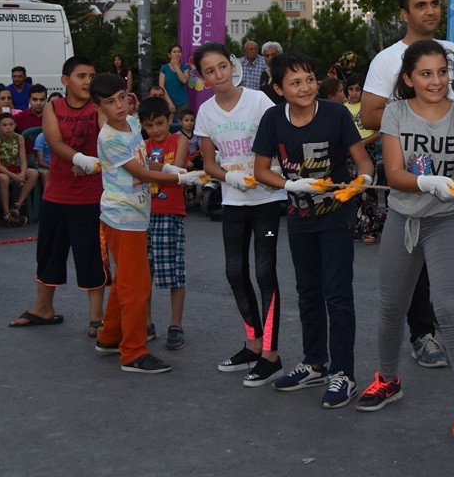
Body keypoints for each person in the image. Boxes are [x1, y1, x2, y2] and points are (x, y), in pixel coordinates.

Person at [354, 40, 454, 448]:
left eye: (442, 72)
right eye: (425, 74)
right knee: (392, 305)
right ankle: (388, 379)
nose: (436, 81)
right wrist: (427, 182)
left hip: (446, 222)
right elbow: (393, 173)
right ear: (408, 79)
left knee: (449, 307)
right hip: (403, 219)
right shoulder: (394, 112)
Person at [361, 0, 454, 369]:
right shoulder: (387, 60)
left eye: (435, 3)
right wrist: (419, 112)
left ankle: (434, 310)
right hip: (412, 176)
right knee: (408, 261)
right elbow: (368, 116)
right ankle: (421, 333)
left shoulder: (450, 51)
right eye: (421, 5)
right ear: (404, 14)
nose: (430, 11)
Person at [253, 51, 374, 409]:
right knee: (307, 292)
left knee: (337, 295)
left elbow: (363, 159)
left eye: (309, 79)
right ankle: (315, 363)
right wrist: (289, 186)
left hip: (336, 216)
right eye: (294, 82)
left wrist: (363, 180)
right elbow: (261, 170)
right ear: (278, 88)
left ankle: (344, 373)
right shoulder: (273, 119)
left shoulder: (335, 113)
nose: (305, 87)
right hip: (299, 217)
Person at [90, 73, 204, 373]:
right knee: (137, 286)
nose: (118, 106)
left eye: (122, 98)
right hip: (121, 218)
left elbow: (145, 162)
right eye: (109, 102)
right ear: (99, 107)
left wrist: (168, 166)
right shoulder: (109, 138)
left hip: (137, 217)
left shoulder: (130, 124)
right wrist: (179, 177)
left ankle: (109, 338)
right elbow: (141, 175)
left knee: (126, 283)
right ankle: (132, 353)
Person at [193, 42, 288, 386]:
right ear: (202, 77)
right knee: (235, 273)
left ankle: (271, 355)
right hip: (233, 201)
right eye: (209, 71)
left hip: (265, 198)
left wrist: (268, 171)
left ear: (232, 66)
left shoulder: (258, 100)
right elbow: (208, 163)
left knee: (265, 273)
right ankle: (252, 344)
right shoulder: (205, 112)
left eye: (222, 66)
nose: (218, 75)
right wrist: (229, 176)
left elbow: (279, 143)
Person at [9, 57, 105, 334]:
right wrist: (80, 159)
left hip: (90, 196)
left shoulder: (98, 108)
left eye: (92, 75)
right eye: (82, 76)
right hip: (56, 193)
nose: (88, 81)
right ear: (65, 81)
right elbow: (54, 142)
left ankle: (96, 317)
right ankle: (43, 308)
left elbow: (110, 134)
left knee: (91, 256)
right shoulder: (53, 107)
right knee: (49, 253)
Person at [138, 96, 191, 351]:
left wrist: (147, 166)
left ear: (170, 120)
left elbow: (179, 172)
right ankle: (146, 323)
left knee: (173, 272)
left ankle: (176, 324)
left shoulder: (179, 139)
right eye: (149, 126)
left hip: (169, 213)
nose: (155, 130)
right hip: (142, 214)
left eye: (159, 123)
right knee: (142, 274)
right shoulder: (142, 145)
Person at [345, 75, 385, 244]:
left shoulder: (367, 108)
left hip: (367, 149)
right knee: (351, 190)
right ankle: (354, 227)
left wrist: (363, 143)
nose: (354, 93)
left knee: (368, 191)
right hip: (347, 152)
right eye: (350, 89)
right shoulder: (343, 109)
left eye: (357, 89)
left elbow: (380, 130)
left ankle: (371, 228)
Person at [0, 112, 39, 225]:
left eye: (11, 124)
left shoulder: (19, 138)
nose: (8, 127)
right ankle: (6, 214)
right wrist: (15, 176)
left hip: (12, 167)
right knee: (4, 178)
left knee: (33, 173)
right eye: (4, 125)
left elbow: (23, 161)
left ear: (15, 125)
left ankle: (17, 205)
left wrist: (22, 174)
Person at [159, 44, 191, 116]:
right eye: (174, 52)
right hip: (167, 101)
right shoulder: (164, 68)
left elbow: (184, 80)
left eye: (179, 52)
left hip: (182, 102)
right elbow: (161, 86)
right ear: (169, 55)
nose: (177, 54)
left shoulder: (185, 67)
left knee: (182, 124)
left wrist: (176, 66)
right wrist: (169, 102)